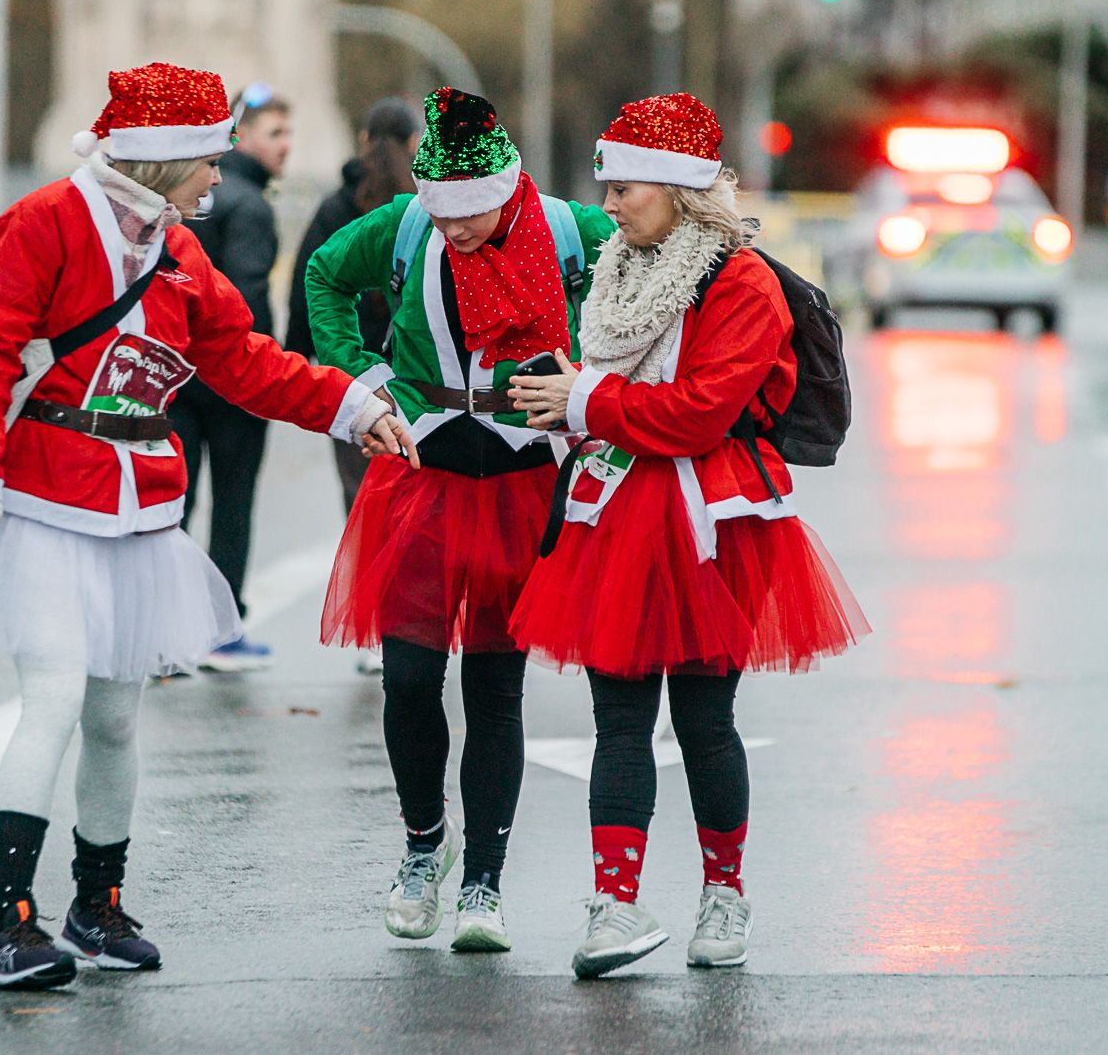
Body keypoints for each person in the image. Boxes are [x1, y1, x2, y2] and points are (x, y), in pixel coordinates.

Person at [0, 62, 416, 992]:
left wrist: (348, 405)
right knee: (54, 696)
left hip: (140, 508)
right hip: (47, 498)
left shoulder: (179, 253)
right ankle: (6, 925)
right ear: (165, 160)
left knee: (115, 720)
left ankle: (97, 906)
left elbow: (246, 360)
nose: (220, 176)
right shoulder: (44, 221)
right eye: (209, 160)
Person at [507, 93, 868, 979]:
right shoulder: (618, 267)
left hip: (713, 520)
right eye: (609, 184)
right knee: (618, 722)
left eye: (627, 184)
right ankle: (615, 906)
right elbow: (617, 394)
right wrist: (569, 407)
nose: (612, 201)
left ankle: (724, 894)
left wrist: (588, 401)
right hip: (621, 510)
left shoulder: (744, 283)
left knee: (707, 721)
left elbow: (705, 412)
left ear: (678, 189)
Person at [306, 87, 615, 953]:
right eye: (447, 214)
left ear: (506, 189)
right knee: (407, 680)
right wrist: (359, 377)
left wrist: (595, 389)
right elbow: (325, 274)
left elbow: (647, 278)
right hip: (420, 477)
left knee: (495, 689)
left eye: (476, 213)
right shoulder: (408, 226)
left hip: (523, 485)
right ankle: (421, 846)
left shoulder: (567, 230)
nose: (460, 229)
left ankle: (484, 880)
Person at [287, 95, 421, 675]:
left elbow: (309, 278)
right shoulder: (423, 206)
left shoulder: (337, 204)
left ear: (364, 138)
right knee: (413, 499)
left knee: (361, 496)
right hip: (414, 377)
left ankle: (372, 628)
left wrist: (300, 354)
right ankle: (411, 616)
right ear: (414, 143)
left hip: (351, 377)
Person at [171, 83, 293, 668]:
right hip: (227, 378)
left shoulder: (187, 198)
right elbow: (247, 300)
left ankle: (164, 630)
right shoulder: (251, 206)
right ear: (240, 135)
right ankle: (222, 630)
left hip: (171, 374)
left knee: (174, 502)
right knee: (233, 500)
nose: (287, 145)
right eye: (276, 132)